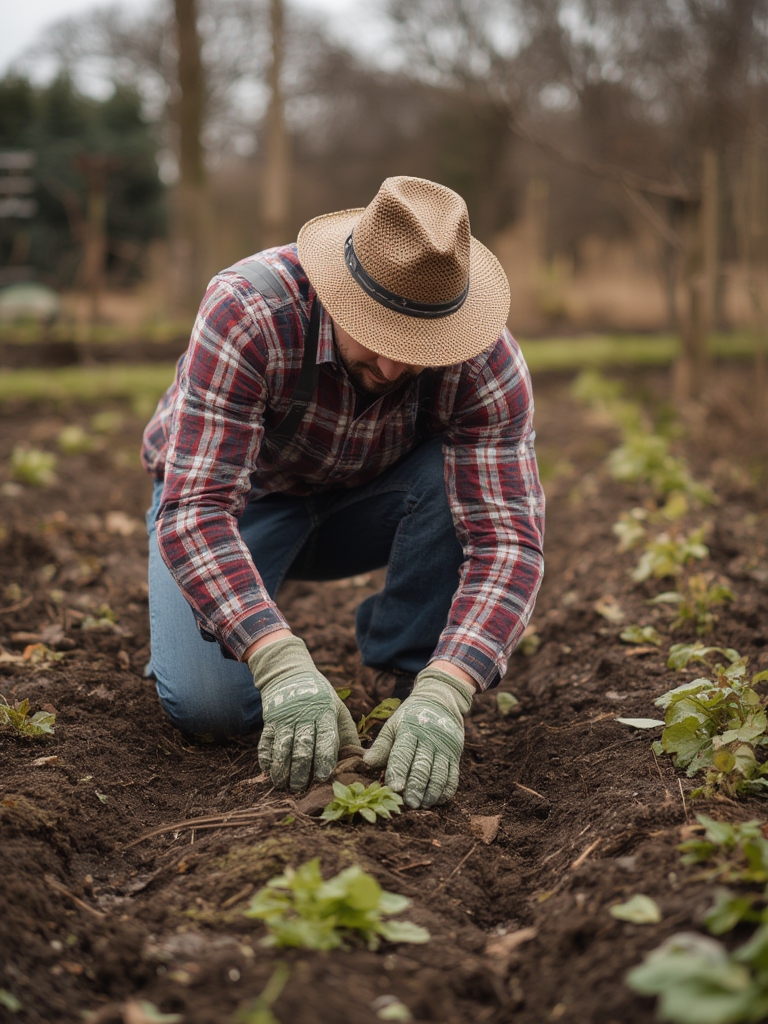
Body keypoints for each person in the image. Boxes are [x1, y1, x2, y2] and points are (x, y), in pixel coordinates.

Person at [141, 175, 544, 809]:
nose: (393, 367)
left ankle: (408, 671)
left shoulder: (484, 360)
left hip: (369, 507)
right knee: (210, 708)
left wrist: (450, 687)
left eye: (419, 348)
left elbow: (508, 542)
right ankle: (219, 627)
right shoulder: (249, 312)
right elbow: (197, 510)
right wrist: (277, 659)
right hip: (243, 508)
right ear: (336, 295)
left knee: (454, 482)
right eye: (379, 337)